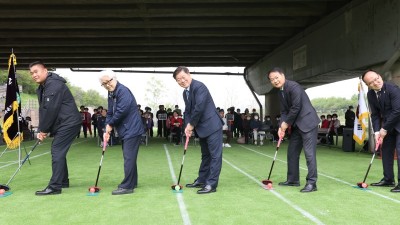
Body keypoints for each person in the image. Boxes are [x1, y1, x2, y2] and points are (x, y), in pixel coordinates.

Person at [29, 61, 81, 196]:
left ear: (45, 70)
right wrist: (42, 129)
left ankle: (55, 186)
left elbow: (50, 109)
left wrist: (43, 130)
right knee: (58, 150)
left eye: (36, 71)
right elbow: (43, 110)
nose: (34, 75)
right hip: (63, 123)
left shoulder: (54, 84)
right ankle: (63, 181)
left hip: (69, 122)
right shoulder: (42, 86)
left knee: (57, 150)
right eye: (31, 73)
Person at [268, 67, 319, 193]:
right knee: (292, 152)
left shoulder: (294, 86)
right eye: (272, 79)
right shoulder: (280, 92)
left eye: (276, 77)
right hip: (297, 125)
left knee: (309, 154)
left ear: (283, 75)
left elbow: (296, 107)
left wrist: (286, 124)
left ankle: (312, 183)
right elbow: (284, 111)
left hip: (308, 123)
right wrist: (281, 126)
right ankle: (293, 180)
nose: (275, 81)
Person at [173, 66, 223, 194]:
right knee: (205, 155)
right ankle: (202, 180)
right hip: (202, 128)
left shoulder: (199, 87)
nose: (182, 81)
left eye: (183, 77)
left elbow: (199, 108)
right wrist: (187, 126)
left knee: (215, 156)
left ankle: (211, 184)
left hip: (212, 126)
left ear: (189, 74)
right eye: (178, 80)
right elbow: (188, 111)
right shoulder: (185, 92)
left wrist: (191, 125)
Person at [100, 70, 145, 195]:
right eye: (104, 83)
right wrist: (106, 128)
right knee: (130, 157)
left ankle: (127, 186)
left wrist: (110, 125)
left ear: (114, 78)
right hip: (125, 129)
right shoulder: (111, 93)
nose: (107, 84)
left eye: (109, 81)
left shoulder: (122, 91)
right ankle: (133, 181)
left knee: (128, 158)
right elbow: (110, 112)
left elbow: (121, 111)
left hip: (132, 128)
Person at [362, 70, 400, 192]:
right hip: (388, 127)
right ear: (368, 85)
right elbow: (375, 115)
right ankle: (388, 179)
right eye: (371, 82)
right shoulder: (371, 95)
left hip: (398, 123)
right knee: (386, 151)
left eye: (376, 78)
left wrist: (384, 129)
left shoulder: (392, 88)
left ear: (379, 76)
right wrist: (377, 132)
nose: (376, 82)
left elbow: (397, 111)